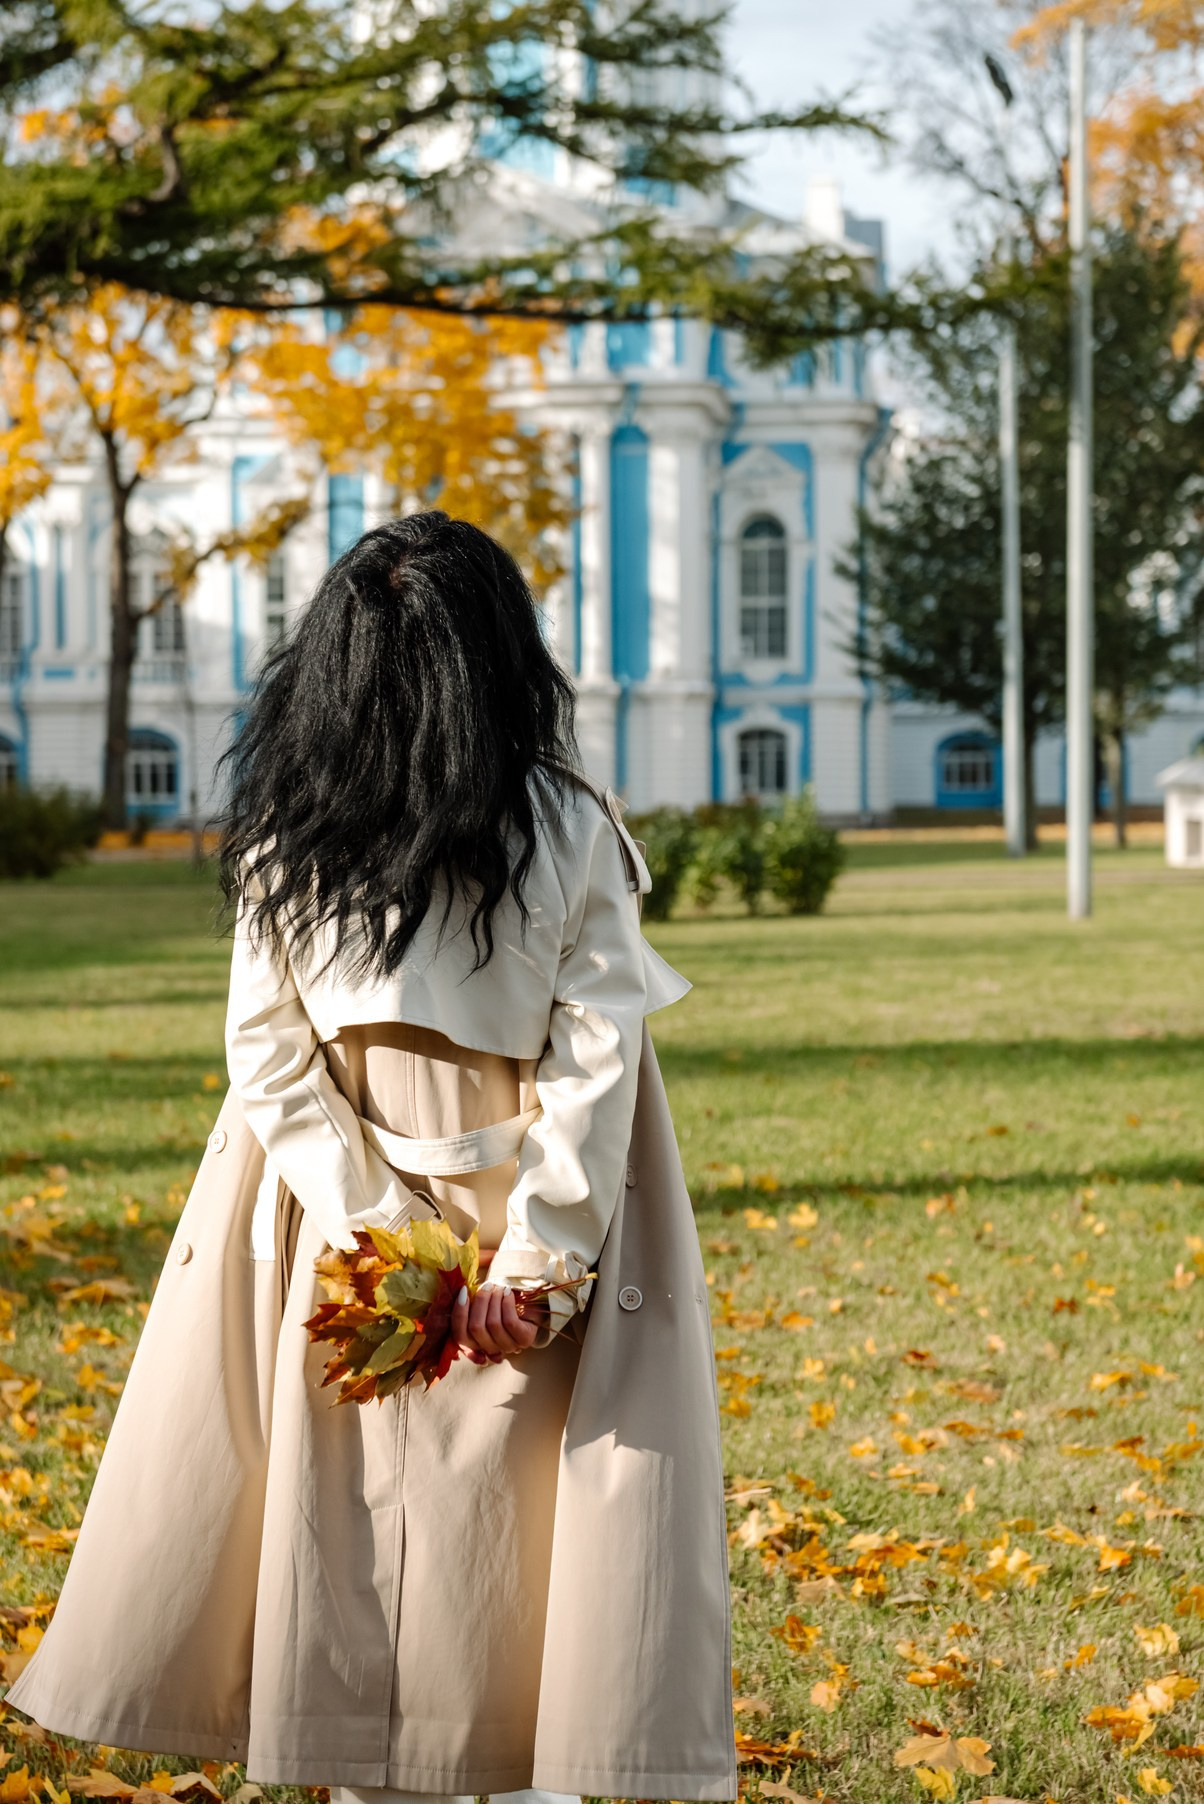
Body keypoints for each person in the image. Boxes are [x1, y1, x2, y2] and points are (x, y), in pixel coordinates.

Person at [4, 511, 736, 1804]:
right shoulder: (448, 830)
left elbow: (294, 1061)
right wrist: (520, 1255)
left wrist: (444, 1244)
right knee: (476, 1533)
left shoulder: (461, 831)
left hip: (351, 1222)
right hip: (431, 1218)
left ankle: (440, 1775)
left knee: (378, 1526)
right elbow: (575, 1059)